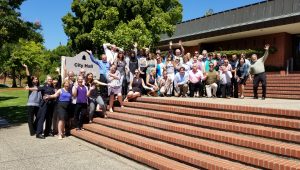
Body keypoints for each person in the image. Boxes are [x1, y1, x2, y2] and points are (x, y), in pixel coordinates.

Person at [23, 64, 41, 136]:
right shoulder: (31, 85)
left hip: (38, 105)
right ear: (32, 80)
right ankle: (32, 131)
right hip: (31, 104)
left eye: (37, 79)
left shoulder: (39, 87)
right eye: (35, 79)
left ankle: (34, 127)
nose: (36, 80)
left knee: (39, 117)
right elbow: (28, 75)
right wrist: (26, 67)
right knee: (30, 118)